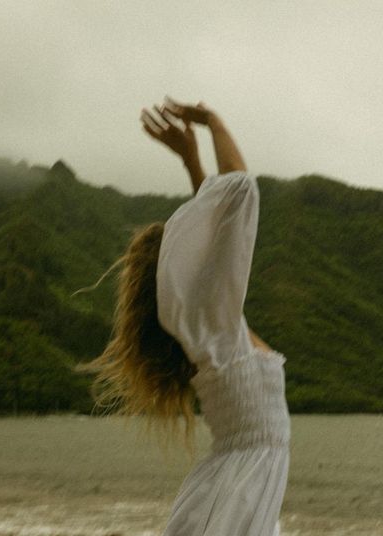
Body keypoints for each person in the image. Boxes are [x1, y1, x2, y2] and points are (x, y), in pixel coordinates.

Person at [76, 97, 291, 535]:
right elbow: (238, 191)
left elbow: (221, 229)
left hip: (241, 488)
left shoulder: (215, 326)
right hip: (234, 492)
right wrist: (212, 121)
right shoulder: (206, 322)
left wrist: (192, 160)